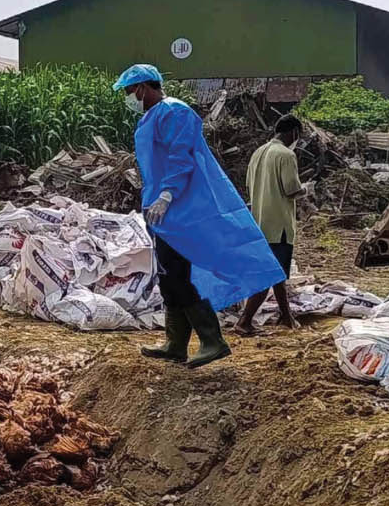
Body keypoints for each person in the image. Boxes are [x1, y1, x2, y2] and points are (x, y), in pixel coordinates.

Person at [114, 64, 285, 368]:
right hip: (163, 212)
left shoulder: (173, 112)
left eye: (129, 91)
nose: (128, 97)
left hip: (182, 210)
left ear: (143, 87)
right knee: (169, 276)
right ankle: (175, 343)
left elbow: (181, 157)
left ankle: (212, 340)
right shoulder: (151, 116)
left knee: (179, 276)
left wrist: (167, 195)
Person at [235, 115, 315, 336]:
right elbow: (291, 190)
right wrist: (307, 189)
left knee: (277, 273)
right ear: (294, 133)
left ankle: (286, 316)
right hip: (278, 225)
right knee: (270, 274)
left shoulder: (258, 153)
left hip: (259, 221)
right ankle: (244, 321)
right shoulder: (286, 155)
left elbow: (250, 186)